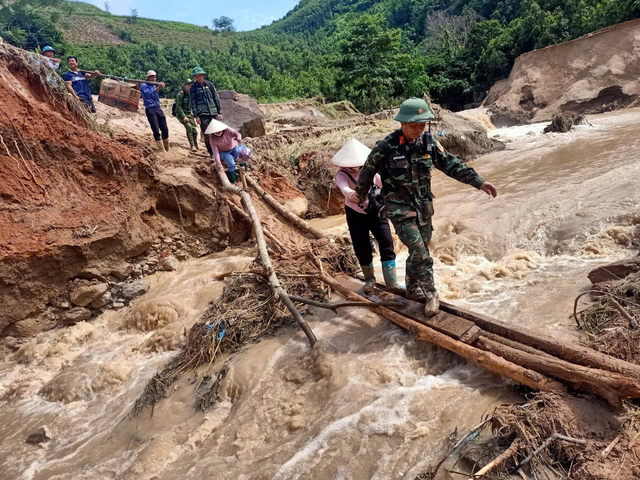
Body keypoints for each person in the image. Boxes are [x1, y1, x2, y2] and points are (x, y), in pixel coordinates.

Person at [355, 98, 498, 317]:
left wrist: (478, 182)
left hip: (423, 208)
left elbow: (452, 164)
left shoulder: (429, 143)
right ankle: (432, 294)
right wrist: (360, 195)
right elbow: (367, 172)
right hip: (399, 209)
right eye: (414, 124)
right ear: (402, 123)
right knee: (420, 252)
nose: (419, 128)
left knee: (419, 251)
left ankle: (412, 288)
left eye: (423, 124)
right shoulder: (385, 147)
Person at [333, 138, 399, 294]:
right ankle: (370, 280)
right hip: (355, 214)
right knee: (361, 246)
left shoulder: (371, 170)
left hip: (376, 211)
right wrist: (350, 194)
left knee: (386, 242)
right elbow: (343, 187)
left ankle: (392, 282)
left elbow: (384, 185)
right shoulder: (342, 174)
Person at [190, 66, 222, 156]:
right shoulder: (193, 88)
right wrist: (196, 116)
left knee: (217, 132)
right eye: (196, 76)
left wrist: (219, 112)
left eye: (199, 75)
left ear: (203, 75)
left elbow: (215, 98)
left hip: (213, 112)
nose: (198, 77)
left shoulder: (210, 84)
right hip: (202, 113)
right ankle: (211, 153)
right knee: (207, 134)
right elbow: (193, 102)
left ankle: (220, 151)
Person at [205, 119, 243, 184]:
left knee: (242, 157)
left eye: (218, 130)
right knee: (231, 163)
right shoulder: (212, 139)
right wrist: (219, 164)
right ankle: (232, 179)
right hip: (224, 152)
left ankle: (244, 173)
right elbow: (216, 152)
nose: (217, 132)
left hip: (234, 148)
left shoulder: (228, 130)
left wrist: (238, 138)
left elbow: (238, 134)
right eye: (215, 131)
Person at [140, 70, 169, 152]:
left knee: (165, 129)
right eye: (151, 77)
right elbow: (149, 95)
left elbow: (155, 95)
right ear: (148, 78)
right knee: (156, 129)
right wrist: (157, 89)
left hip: (158, 108)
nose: (153, 78)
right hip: (150, 109)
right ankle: (162, 150)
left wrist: (159, 88)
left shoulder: (154, 86)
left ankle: (167, 148)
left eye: (154, 77)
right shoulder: (144, 85)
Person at [175, 79, 199, 151]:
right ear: (185, 86)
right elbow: (178, 107)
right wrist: (184, 116)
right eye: (188, 85)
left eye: (191, 85)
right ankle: (192, 146)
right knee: (189, 127)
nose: (190, 86)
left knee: (195, 130)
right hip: (181, 114)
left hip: (189, 114)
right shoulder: (181, 94)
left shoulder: (192, 95)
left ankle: (196, 145)